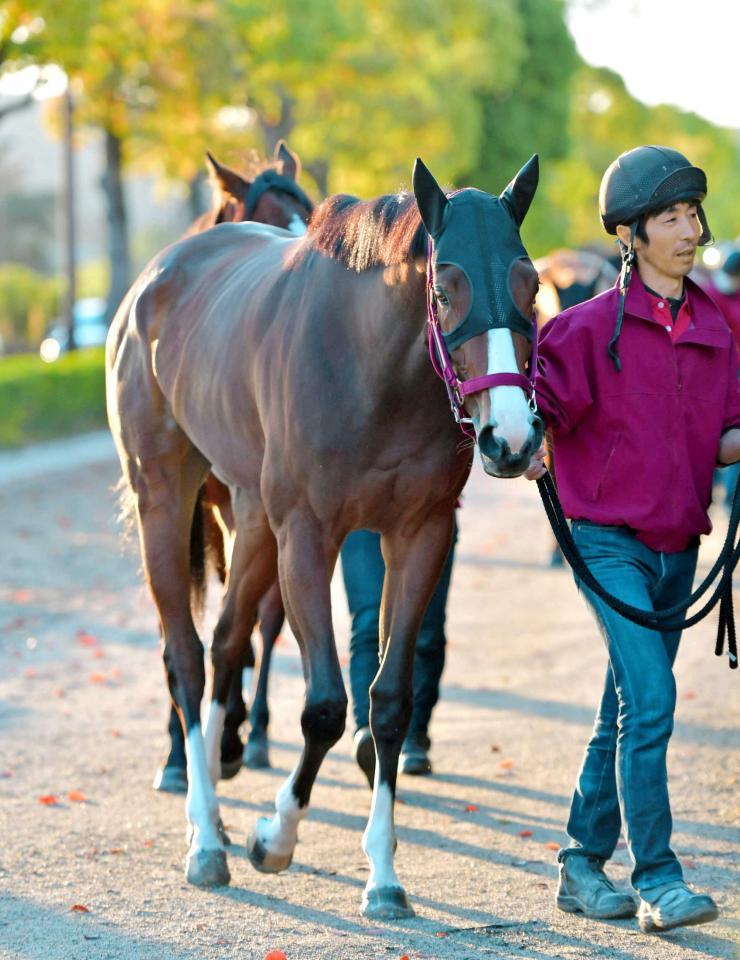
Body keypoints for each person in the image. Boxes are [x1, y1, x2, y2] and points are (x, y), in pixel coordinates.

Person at [525, 145, 740, 934]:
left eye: (692, 215)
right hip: (606, 540)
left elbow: (723, 440)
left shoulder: (715, 325)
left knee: (625, 707)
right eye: (670, 218)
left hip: (679, 543)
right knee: (651, 700)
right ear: (631, 233)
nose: (689, 230)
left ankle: (581, 864)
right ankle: (659, 879)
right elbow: (530, 426)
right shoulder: (579, 333)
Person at [341, 521, 457, 785]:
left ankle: (414, 735)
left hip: (428, 510)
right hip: (362, 511)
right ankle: (368, 732)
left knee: (426, 629)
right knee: (369, 620)